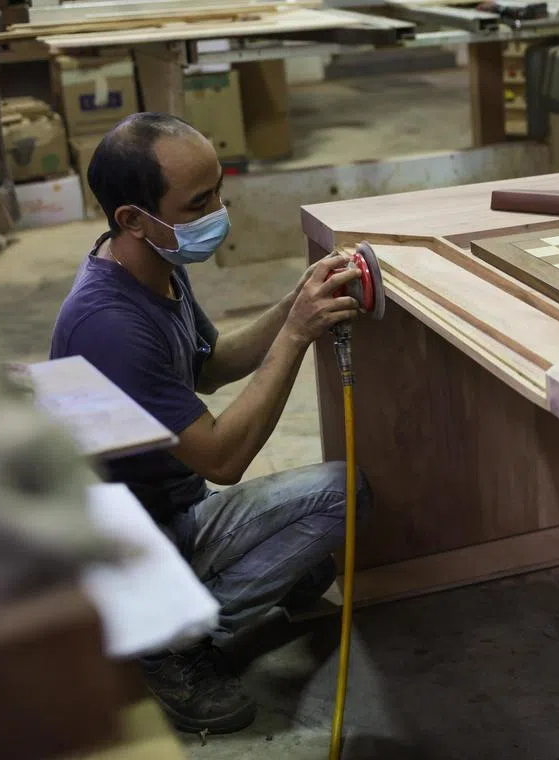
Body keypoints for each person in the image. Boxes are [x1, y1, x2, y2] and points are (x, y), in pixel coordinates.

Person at [49, 112, 373, 735]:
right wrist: (298, 333)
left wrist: (294, 300)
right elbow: (223, 459)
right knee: (343, 495)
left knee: (310, 561)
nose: (218, 213)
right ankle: (163, 643)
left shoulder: (152, 263)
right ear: (133, 219)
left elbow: (211, 364)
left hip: (165, 509)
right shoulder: (109, 324)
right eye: (199, 203)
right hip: (124, 546)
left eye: (218, 191)